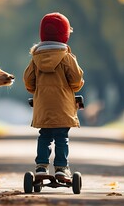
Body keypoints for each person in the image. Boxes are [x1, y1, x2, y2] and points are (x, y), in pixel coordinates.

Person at [23, 12, 84, 183]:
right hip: (63, 107)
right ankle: (61, 168)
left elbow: (28, 82)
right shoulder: (66, 57)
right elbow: (76, 81)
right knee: (61, 137)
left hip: (42, 106)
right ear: (64, 34)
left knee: (44, 136)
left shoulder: (35, 59)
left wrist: (36, 90)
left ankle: (41, 167)